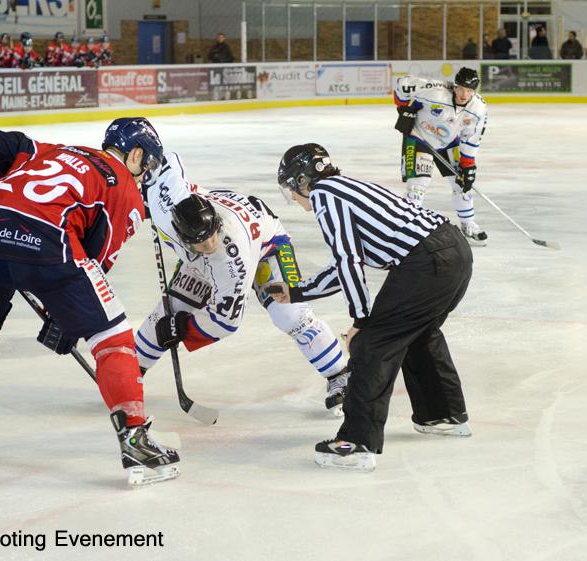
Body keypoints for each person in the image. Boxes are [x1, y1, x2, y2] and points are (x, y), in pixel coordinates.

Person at [0, 118, 181, 487]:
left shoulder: (56, 151)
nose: (144, 175)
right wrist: (64, 314)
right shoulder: (124, 187)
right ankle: (135, 439)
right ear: (136, 154)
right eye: (147, 164)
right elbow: (94, 260)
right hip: (47, 240)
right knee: (111, 337)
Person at [270, 144, 473, 472]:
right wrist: (297, 291)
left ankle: (356, 443)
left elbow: (348, 260)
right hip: (454, 250)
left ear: (303, 180)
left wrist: (361, 321)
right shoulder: (345, 187)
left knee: (372, 343)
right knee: (418, 333)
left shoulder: (324, 195)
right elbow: (347, 263)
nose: (293, 197)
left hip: (425, 261)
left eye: (291, 189)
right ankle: (443, 414)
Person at [135, 153, 350, 413]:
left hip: (266, 246)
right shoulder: (167, 209)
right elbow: (167, 160)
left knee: (290, 314)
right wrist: (142, 188)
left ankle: (340, 374)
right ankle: (128, 372)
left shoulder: (232, 263)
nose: (210, 244)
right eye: (202, 242)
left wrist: (183, 328)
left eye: (212, 235)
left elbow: (226, 321)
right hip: (209, 248)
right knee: (167, 312)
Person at [393, 67, 489, 244]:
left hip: (449, 142)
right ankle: (408, 227)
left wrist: (468, 165)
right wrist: (403, 108)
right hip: (419, 137)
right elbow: (402, 84)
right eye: (461, 88)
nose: (464, 94)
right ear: (455, 86)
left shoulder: (478, 108)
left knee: (462, 184)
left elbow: (471, 137)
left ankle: (468, 223)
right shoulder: (435, 90)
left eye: (469, 90)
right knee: (418, 186)